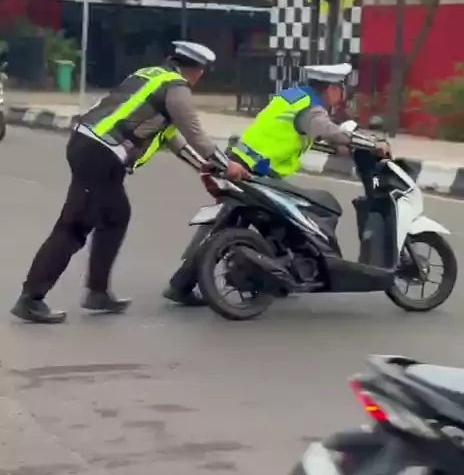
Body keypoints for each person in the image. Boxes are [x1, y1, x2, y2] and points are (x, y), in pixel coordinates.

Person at [11, 41, 249, 324]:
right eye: (202, 71)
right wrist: (226, 165)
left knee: (116, 216)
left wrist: (204, 167)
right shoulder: (176, 89)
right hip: (99, 153)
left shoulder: (150, 76)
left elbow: (173, 139)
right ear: (196, 70)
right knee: (74, 226)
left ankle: (98, 292)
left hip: (91, 147)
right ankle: (31, 298)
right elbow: (195, 134)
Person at [164, 63, 390, 302]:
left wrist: (340, 147)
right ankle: (293, 273)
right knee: (322, 208)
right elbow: (328, 131)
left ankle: (183, 285)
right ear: (331, 89)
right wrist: (372, 144)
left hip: (238, 162)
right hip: (255, 173)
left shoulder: (292, 98)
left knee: (239, 223)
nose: (342, 96)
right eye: (341, 89)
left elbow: (296, 134)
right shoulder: (311, 109)